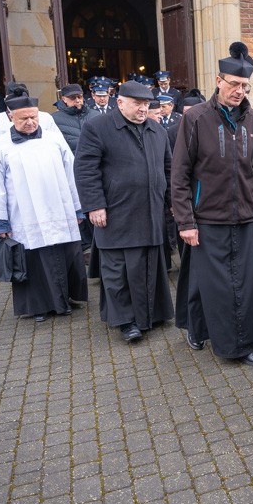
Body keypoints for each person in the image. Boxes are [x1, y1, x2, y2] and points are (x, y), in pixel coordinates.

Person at [170, 42, 253, 366]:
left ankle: (244, 344)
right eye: (234, 84)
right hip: (206, 218)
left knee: (242, 283)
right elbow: (180, 173)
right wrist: (186, 222)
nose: (239, 91)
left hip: (244, 217)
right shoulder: (197, 119)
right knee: (214, 282)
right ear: (219, 81)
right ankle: (210, 334)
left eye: (245, 86)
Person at [74, 80, 174, 343]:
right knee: (118, 271)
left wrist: (173, 201)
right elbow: (86, 169)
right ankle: (127, 320)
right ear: (119, 102)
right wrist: (94, 205)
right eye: (137, 104)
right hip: (116, 213)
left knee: (150, 266)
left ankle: (152, 313)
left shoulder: (157, 130)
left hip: (151, 211)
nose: (143, 109)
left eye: (146, 104)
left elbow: (168, 170)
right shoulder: (97, 127)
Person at [0, 92, 87, 322]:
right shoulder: (0, 145)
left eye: (33, 117)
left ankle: (66, 299)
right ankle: (39, 306)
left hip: (60, 209)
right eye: (23, 118)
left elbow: (71, 174)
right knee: (34, 261)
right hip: (24, 214)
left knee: (64, 255)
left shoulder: (54, 139)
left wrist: (78, 208)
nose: (30, 122)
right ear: (11, 117)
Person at [52, 84, 91, 154]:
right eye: (72, 98)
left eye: (80, 97)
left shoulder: (96, 115)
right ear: (64, 99)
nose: (77, 100)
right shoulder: (54, 119)